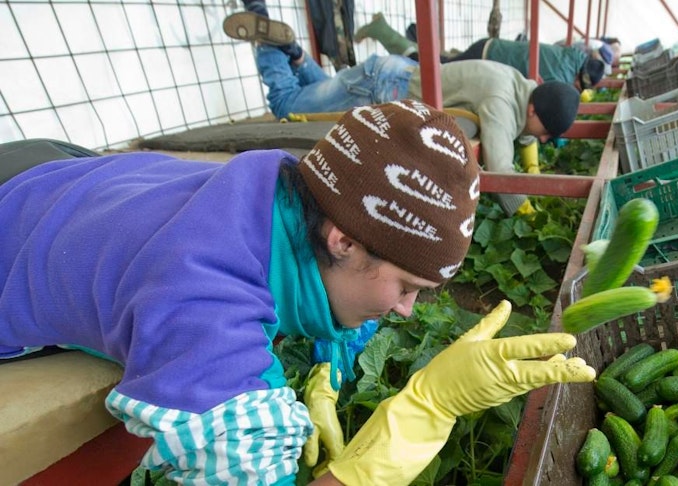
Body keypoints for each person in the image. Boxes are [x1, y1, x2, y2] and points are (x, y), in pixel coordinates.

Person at [0, 101, 597, 485]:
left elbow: (330, 282)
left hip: (51, 168)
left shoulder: (286, 183)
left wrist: (329, 364)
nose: (404, 310)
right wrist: (425, 411)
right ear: (342, 241)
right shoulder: (203, 308)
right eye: (408, 287)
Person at [224, 10, 581, 216]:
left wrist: (533, 159)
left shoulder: (520, 84)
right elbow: (502, 172)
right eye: (546, 130)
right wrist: (527, 213)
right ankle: (269, 35)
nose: (543, 139)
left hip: (389, 76)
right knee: (287, 106)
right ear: (533, 108)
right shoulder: (503, 101)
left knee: (321, 97)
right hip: (380, 86)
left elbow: (524, 132)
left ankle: (298, 57)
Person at [353, 12, 607, 90]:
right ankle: (382, 31)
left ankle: (390, 37)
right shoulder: (561, 76)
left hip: (490, 48)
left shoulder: (571, 55)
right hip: (486, 56)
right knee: (431, 66)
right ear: (579, 78)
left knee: (438, 61)